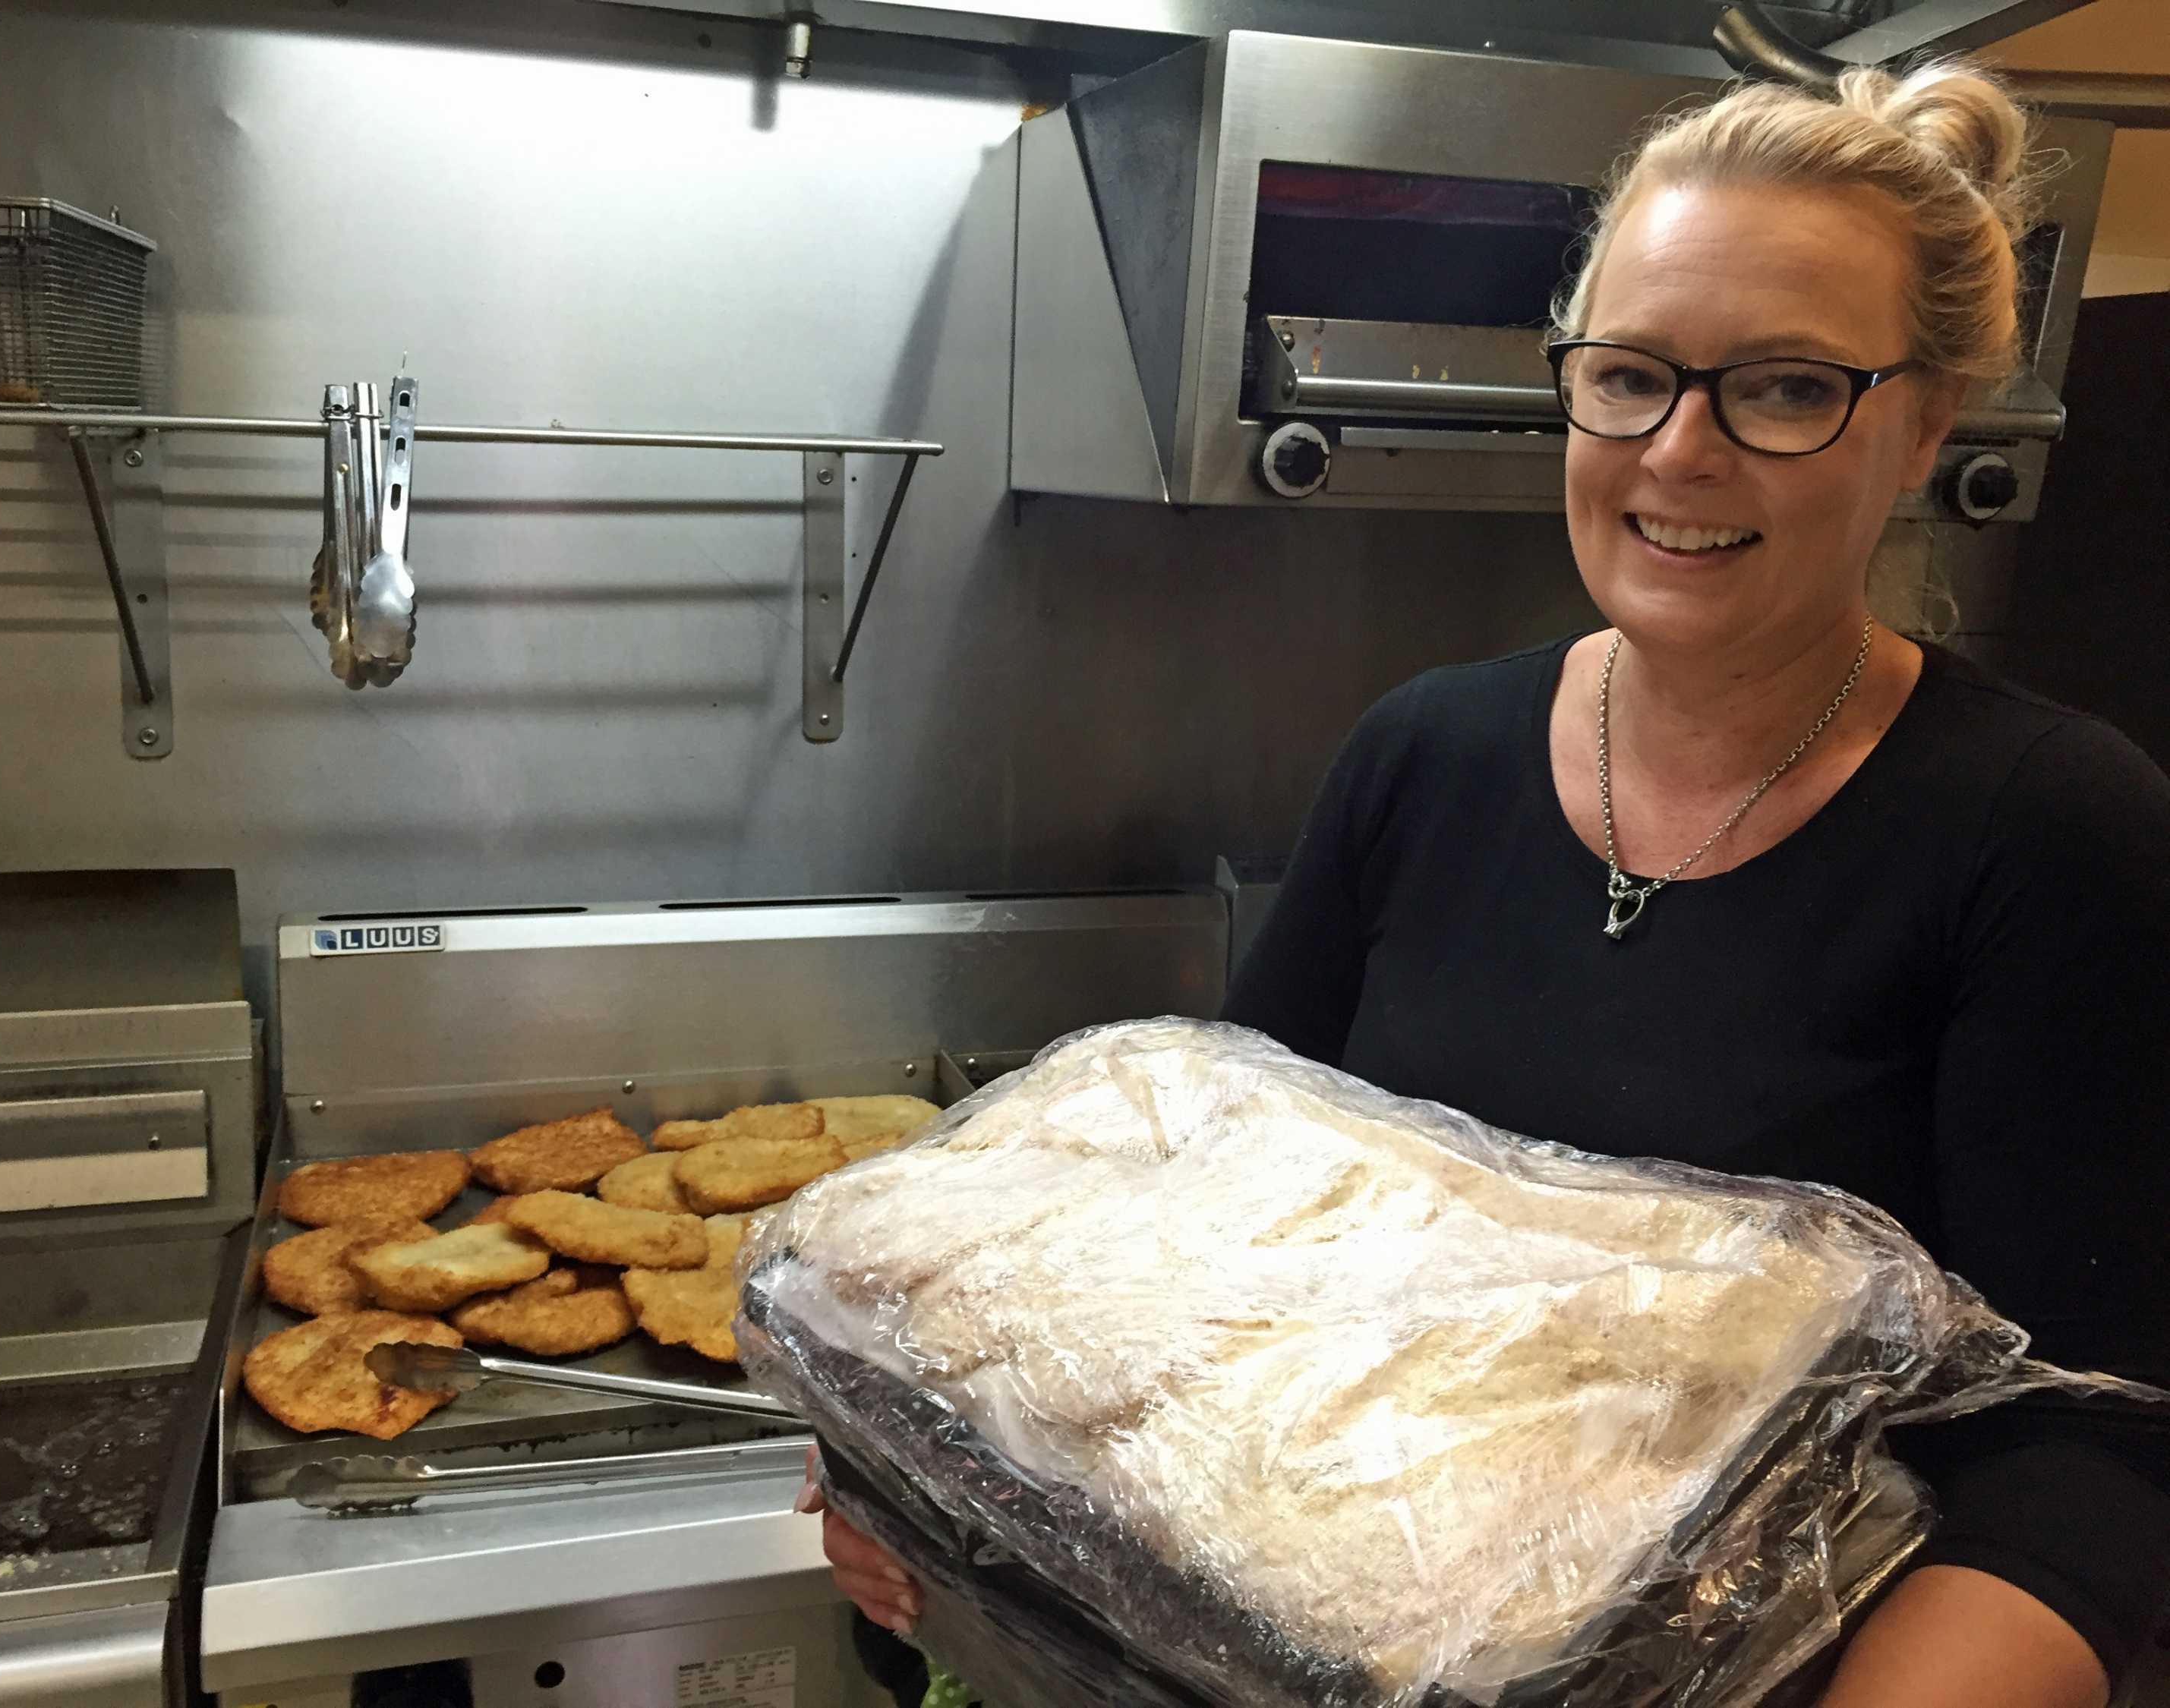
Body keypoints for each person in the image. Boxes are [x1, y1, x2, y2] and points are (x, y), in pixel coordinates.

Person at [810, 58, 2170, 1708]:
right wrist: (946, 1502)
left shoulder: (2047, 831)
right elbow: (1197, 1255)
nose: (1682, 452)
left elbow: (2100, 1460)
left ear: (1925, 421)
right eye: (1633, 375)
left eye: (1790, 389)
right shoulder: (1426, 755)